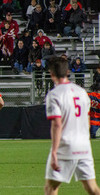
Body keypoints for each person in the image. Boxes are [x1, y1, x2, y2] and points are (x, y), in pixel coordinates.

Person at [44, 57, 100, 195]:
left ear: (51, 74)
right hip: (84, 146)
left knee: (51, 188)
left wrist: (54, 152)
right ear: (68, 72)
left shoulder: (54, 95)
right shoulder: (82, 92)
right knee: (92, 188)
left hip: (66, 145)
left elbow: (57, 125)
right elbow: (86, 120)